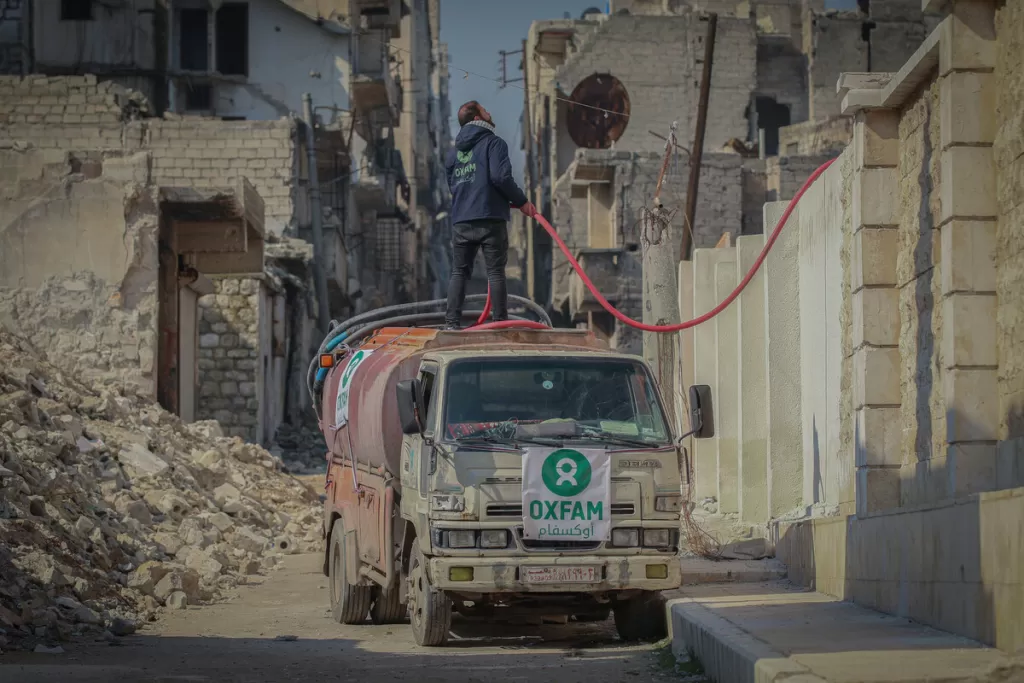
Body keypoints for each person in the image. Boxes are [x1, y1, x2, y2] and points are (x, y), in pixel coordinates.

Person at [444, 100, 537, 330]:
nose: (490, 112)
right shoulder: (494, 144)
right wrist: (522, 202)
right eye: (485, 110)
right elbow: (500, 178)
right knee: (495, 272)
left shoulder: (453, 154)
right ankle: (500, 323)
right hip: (489, 217)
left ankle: (451, 324)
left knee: (459, 272)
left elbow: (452, 185)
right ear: (477, 118)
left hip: (461, 220)